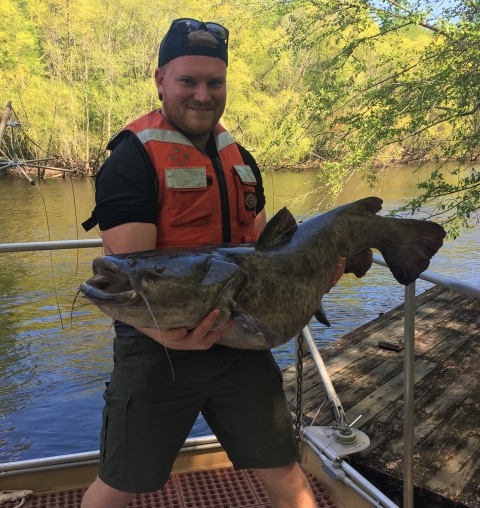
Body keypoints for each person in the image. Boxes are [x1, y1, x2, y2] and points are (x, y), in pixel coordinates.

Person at [81, 18, 345, 508]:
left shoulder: (239, 156)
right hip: (157, 352)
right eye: (188, 81)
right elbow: (134, 284)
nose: (202, 94)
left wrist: (309, 281)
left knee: (283, 470)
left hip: (241, 343)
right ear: (161, 80)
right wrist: (168, 336)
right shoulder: (130, 162)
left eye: (214, 82)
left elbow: (268, 257)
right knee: (121, 482)